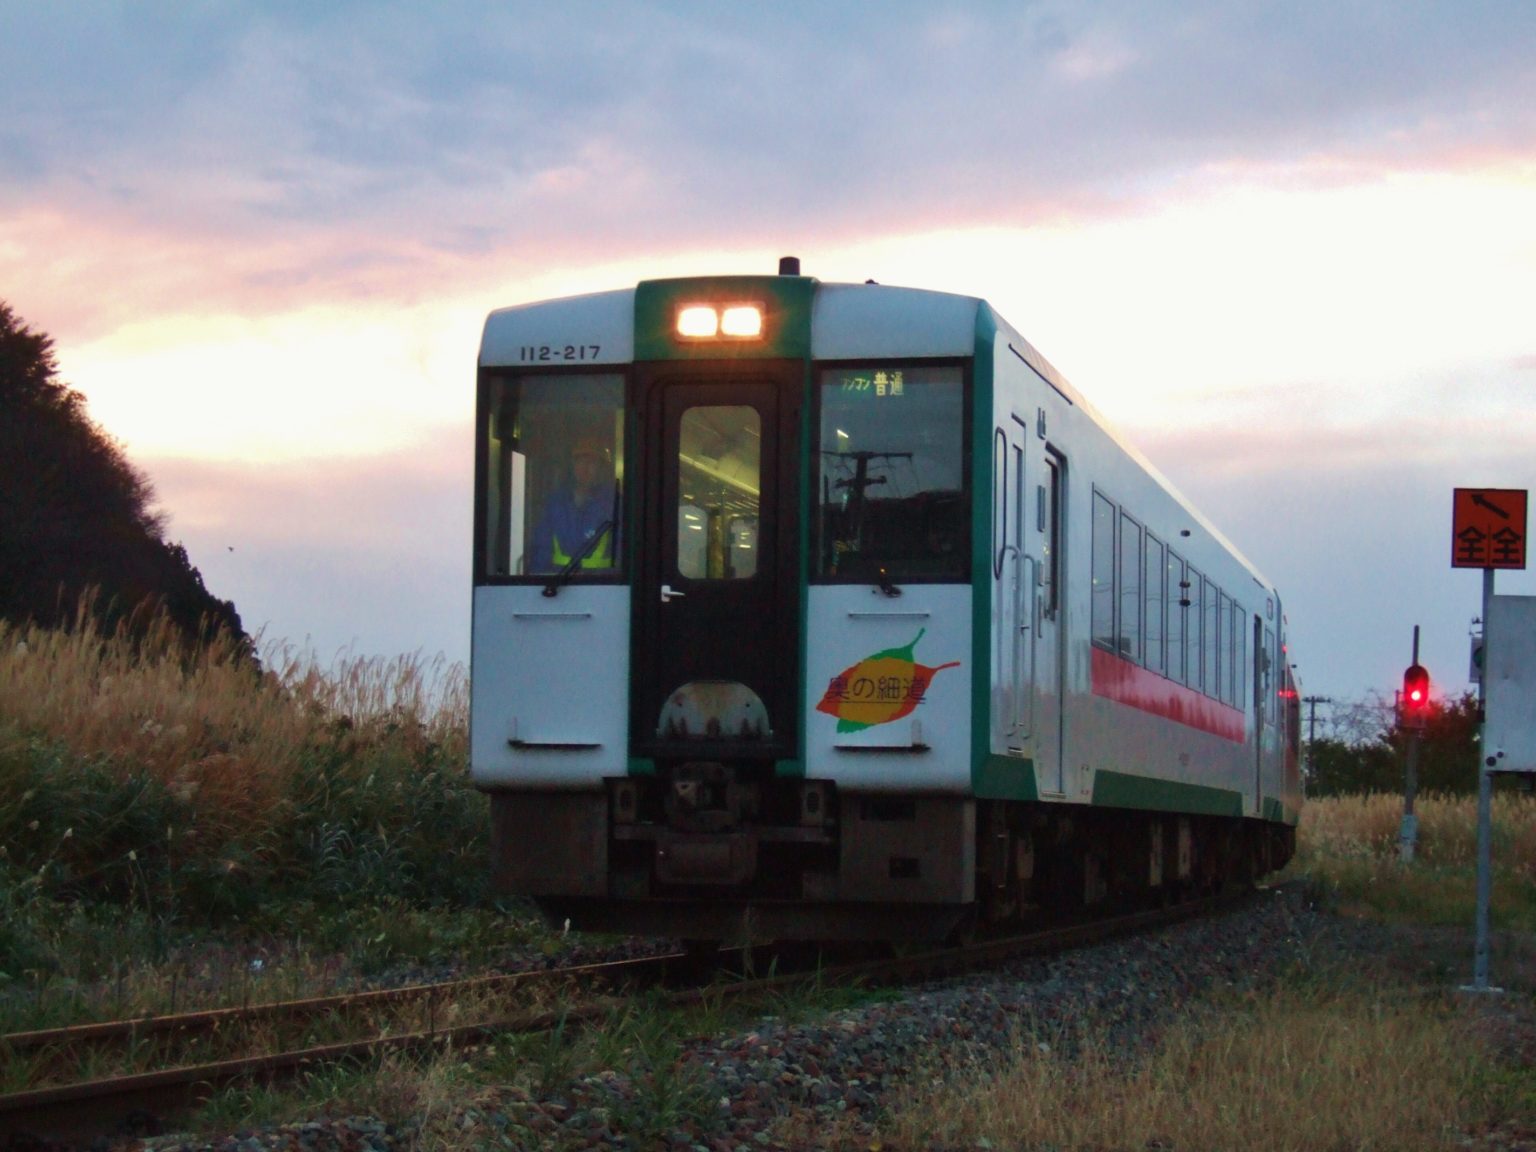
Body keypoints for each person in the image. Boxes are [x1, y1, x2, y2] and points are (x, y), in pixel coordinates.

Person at [529, 437, 618, 573]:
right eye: (580, 461)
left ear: (601, 468)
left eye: (592, 462)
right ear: (572, 465)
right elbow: (541, 549)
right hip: (558, 588)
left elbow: (623, 553)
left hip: (602, 587)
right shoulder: (556, 503)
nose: (585, 467)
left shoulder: (615, 503)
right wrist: (536, 585)